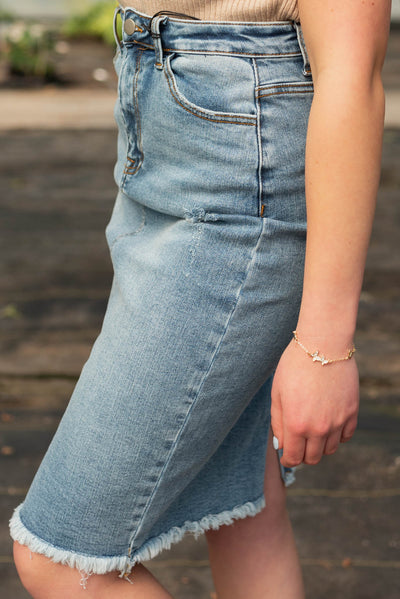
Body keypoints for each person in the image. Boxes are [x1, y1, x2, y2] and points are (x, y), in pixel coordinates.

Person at [10, 1, 391, 598]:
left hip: (239, 180)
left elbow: (353, 78)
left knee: (60, 560)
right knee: (244, 510)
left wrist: (325, 345)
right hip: (162, 133)